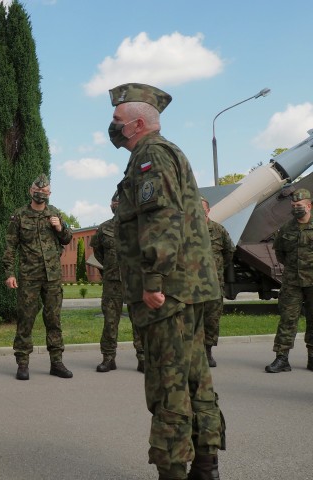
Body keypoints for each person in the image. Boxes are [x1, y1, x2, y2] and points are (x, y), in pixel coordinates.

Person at [109, 83, 225, 480]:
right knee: (195, 378)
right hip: (189, 290)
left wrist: (152, 279)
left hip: (168, 293)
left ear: (137, 124)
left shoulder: (151, 156)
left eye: (117, 120)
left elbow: (161, 218)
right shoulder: (165, 152)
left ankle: (173, 471)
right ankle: (206, 465)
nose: (112, 126)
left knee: (168, 384)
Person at [3, 173, 73, 381]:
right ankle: (22, 363)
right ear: (30, 191)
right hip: (29, 276)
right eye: (37, 190)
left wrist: (60, 227)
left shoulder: (55, 214)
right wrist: (9, 273)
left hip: (52, 277)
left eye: (44, 191)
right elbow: (10, 247)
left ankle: (57, 363)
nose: (40, 193)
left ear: (49, 193)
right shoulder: (19, 216)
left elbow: (67, 238)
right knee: (26, 319)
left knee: (54, 319)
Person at [90, 191, 145, 373]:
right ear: (111, 205)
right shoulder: (103, 228)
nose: (117, 205)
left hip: (135, 281)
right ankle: (108, 358)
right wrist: (110, 266)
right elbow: (98, 252)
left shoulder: (139, 227)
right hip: (112, 281)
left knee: (139, 321)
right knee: (110, 321)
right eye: (115, 202)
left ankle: (143, 358)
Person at [265, 188, 313, 373]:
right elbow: (280, 253)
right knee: (287, 319)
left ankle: (312, 358)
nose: (296, 209)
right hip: (292, 282)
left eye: (299, 206)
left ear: (309, 205)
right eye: (293, 206)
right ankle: (282, 358)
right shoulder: (286, 228)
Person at [201, 197, 235, 368]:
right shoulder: (186, 231)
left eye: (202, 208)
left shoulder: (218, 230)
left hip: (214, 285)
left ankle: (207, 351)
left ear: (208, 210)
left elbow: (229, 252)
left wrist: (217, 270)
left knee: (212, 320)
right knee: (191, 320)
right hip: (192, 286)